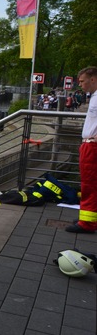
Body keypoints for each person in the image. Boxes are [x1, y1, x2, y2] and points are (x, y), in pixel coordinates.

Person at [66, 66, 97, 234]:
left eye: (83, 81)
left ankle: (87, 223)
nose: (81, 85)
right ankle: (90, 217)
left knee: (89, 184)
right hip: (89, 144)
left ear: (93, 79)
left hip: (92, 146)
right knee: (91, 183)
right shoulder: (93, 97)